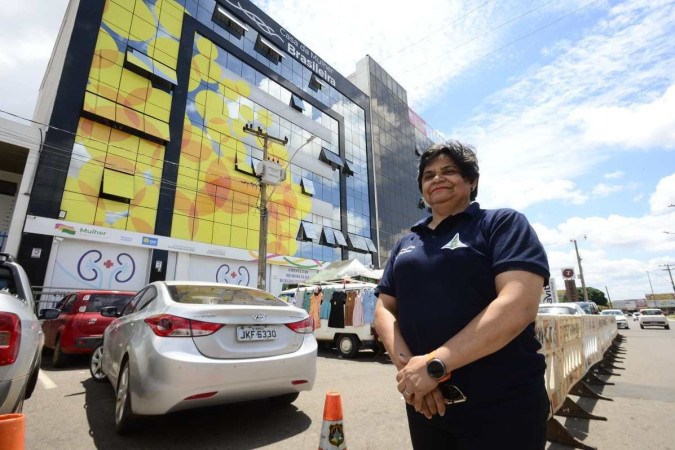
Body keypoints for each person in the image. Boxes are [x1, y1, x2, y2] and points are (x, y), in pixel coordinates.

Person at [374, 141, 550, 449]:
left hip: (503, 404)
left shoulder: (502, 224)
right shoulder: (406, 244)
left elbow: (518, 305)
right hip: (426, 402)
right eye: (428, 175)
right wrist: (412, 373)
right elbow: (384, 310)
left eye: (448, 171)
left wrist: (433, 364)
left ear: (471, 181)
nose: (436, 179)